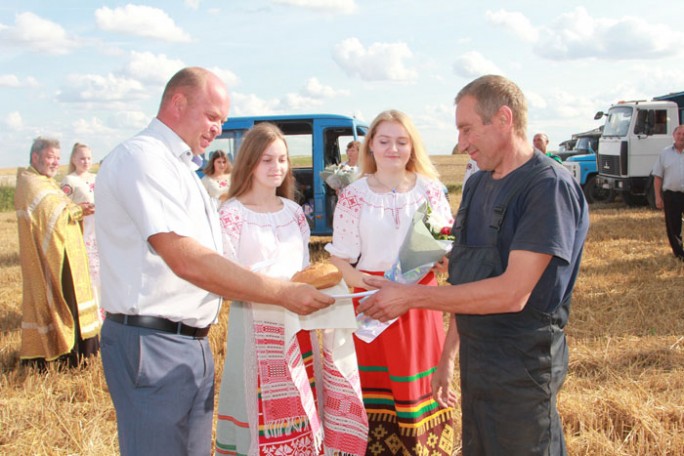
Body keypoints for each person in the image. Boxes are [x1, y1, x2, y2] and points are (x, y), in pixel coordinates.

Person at [95, 67, 334, 456]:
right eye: (212, 116)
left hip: (190, 342)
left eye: (221, 120)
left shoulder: (181, 168)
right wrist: (281, 292)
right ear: (177, 102)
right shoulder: (142, 159)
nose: (216, 128)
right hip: (151, 342)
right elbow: (186, 258)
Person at [358, 75, 589, 455]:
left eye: (467, 129)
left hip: (524, 366)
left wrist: (410, 297)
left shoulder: (547, 188)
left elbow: (512, 292)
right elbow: (466, 281)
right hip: (478, 364)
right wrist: (447, 357)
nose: (462, 144)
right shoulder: (479, 184)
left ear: (503, 119)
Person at [214, 122, 368, 455]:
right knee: (260, 413)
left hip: (296, 324)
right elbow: (226, 278)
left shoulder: (295, 212)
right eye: (267, 160)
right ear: (250, 162)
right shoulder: (231, 214)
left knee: (300, 405)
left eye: (282, 159)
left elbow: (303, 271)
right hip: (254, 327)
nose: (276, 168)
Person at [325, 109, 456, 455]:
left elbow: (444, 246)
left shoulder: (430, 190)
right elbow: (339, 254)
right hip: (372, 303)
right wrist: (357, 279)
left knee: (419, 390)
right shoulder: (354, 194)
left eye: (401, 141)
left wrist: (445, 260)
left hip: (418, 300)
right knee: (375, 393)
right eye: (384, 141)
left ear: (412, 147)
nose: (393, 149)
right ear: (371, 147)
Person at [15, 137, 100, 370]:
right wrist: (75, 209)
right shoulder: (30, 182)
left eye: (57, 158)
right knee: (62, 299)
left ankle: (82, 354)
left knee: (74, 298)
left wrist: (77, 211)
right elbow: (47, 214)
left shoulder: (46, 181)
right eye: (50, 157)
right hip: (50, 256)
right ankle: (65, 354)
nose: (55, 163)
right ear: (36, 157)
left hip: (67, 250)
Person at [61, 143, 102, 320]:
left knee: (102, 273)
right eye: (81, 158)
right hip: (82, 231)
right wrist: (79, 209)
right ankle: (90, 313)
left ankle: (105, 311)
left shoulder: (97, 178)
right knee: (89, 273)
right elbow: (62, 208)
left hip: (99, 230)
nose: (85, 162)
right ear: (73, 159)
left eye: (88, 158)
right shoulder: (69, 181)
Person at [652, 124, 684, 260]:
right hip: (671, 195)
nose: (681, 137)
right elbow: (658, 177)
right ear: (674, 136)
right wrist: (658, 197)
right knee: (673, 225)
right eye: (679, 134)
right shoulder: (665, 153)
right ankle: (679, 254)